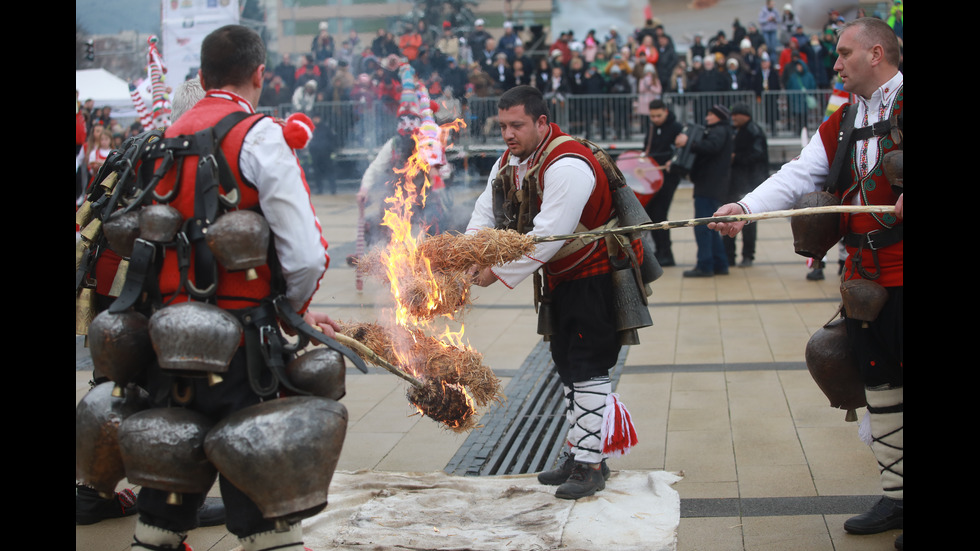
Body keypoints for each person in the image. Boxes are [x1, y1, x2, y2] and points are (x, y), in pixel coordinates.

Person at [124, 24, 339, 551]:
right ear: (260, 74)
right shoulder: (260, 134)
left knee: (164, 500)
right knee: (264, 501)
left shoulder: (161, 139)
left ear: (201, 75)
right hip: (244, 343)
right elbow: (307, 253)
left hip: (167, 337)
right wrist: (293, 312)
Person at [709, 18, 903, 548]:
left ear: (877, 53)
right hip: (863, 281)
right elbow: (800, 174)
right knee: (881, 390)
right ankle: (898, 495)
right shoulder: (841, 121)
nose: (835, 64)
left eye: (843, 54)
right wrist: (745, 207)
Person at [465, 85, 642, 501]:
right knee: (566, 362)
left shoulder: (568, 165)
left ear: (542, 122)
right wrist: (468, 251)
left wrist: (495, 272)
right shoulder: (510, 162)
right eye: (503, 125)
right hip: (561, 277)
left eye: (517, 125)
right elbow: (484, 212)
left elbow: (547, 236)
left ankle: (591, 464)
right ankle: (579, 452)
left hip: (595, 273)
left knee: (589, 364)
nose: (508, 134)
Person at [675, 104, 733, 277]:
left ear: (719, 117)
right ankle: (720, 263)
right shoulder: (722, 131)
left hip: (709, 185)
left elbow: (711, 147)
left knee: (703, 226)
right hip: (712, 184)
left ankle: (705, 265)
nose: (707, 118)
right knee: (711, 226)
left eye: (710, 115)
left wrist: (689, 143)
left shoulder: (719, 131)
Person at [724, 103, 768, 267]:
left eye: (736, 115)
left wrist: (737, 157)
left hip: (748, 181)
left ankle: (747, 255)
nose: (733, 118)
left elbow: (757, 155)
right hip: (737, 181)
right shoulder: (738, 130)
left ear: (746, 116)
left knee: (747, 220)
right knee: (730, 218)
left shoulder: (752, 131)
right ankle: (731, 255)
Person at [642, 99, 684, 266]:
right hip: (653, 175)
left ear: (666, 111)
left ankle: (666, 252)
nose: (655, 119)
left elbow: (681, 150)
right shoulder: (652, 127)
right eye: (652, 116)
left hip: (668, 176)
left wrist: (672, 161)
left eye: (658, 115)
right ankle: (660, 250)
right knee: (652, 213)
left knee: (660, 213)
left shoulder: (676, 128)